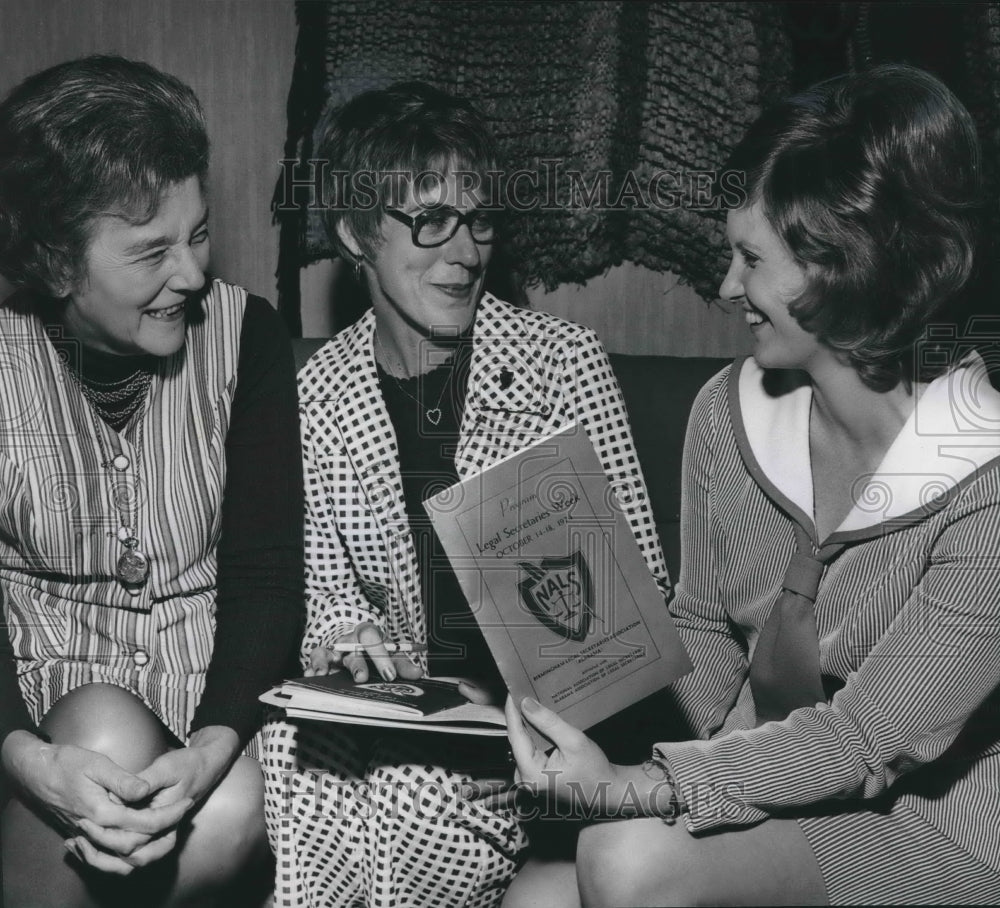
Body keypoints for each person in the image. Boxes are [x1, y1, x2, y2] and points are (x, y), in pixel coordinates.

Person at [501, 62, 1000, 907]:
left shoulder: (987, 481)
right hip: (788, 774)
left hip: (945, 817)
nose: (727, 287)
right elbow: (701, 620)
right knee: (537, 896)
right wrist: (598, 678)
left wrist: (639, 785)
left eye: (751, 259)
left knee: (625, 861)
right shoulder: (723, 415)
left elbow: (864, 736)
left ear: (841, 267)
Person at [262, 82, 671, 908]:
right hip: (393, 718)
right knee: (288, 754)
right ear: (355, 234)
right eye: (431, 221)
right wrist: (354, 641)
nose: (465, 251)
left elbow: (637, 606)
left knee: (417, 798)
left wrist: (524, 736)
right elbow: (329, 590)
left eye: (479, 220)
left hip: (533, 736)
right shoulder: (319, 392)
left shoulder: (561, 367)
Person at [0, 56, 304, 907]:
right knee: (100, 728)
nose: (194, 275)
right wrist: (29, 757)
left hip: (207, 711)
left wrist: (212, 749)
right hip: (32, 723)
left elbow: (269, 573)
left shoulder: (249, 336)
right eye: (150, 251)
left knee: (242, 803)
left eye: (199, 233)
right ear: (57, 261)